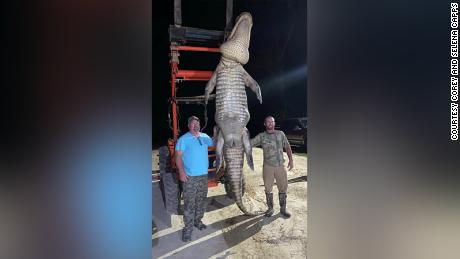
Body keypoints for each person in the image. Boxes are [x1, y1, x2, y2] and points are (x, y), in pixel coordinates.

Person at [175, 116, 216, 242]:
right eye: (192, 123)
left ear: (200, 125)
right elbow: (178, 157)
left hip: (203, 176)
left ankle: (197, 221)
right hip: (190, 177)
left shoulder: (204, 137)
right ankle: (187, 230)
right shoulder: (183, 139)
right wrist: (181, 172)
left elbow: (214, 143)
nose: (195, 125)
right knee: (189, 204)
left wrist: (215, 133)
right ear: (189, 126)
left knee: (201, 201)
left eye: (197, 123)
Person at [251, 116, 294, 218]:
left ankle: (283, 209)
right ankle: (270, 209)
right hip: (268, 167)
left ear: (274, 123)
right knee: (268, 188)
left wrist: (291, 160)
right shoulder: (261, 136)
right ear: (265, 124)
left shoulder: (280, 134)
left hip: (280, 166)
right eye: (268, 122)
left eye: (272, 121)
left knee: (283, 188)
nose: (270, 123)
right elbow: (250, 143)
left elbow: (287, 146)